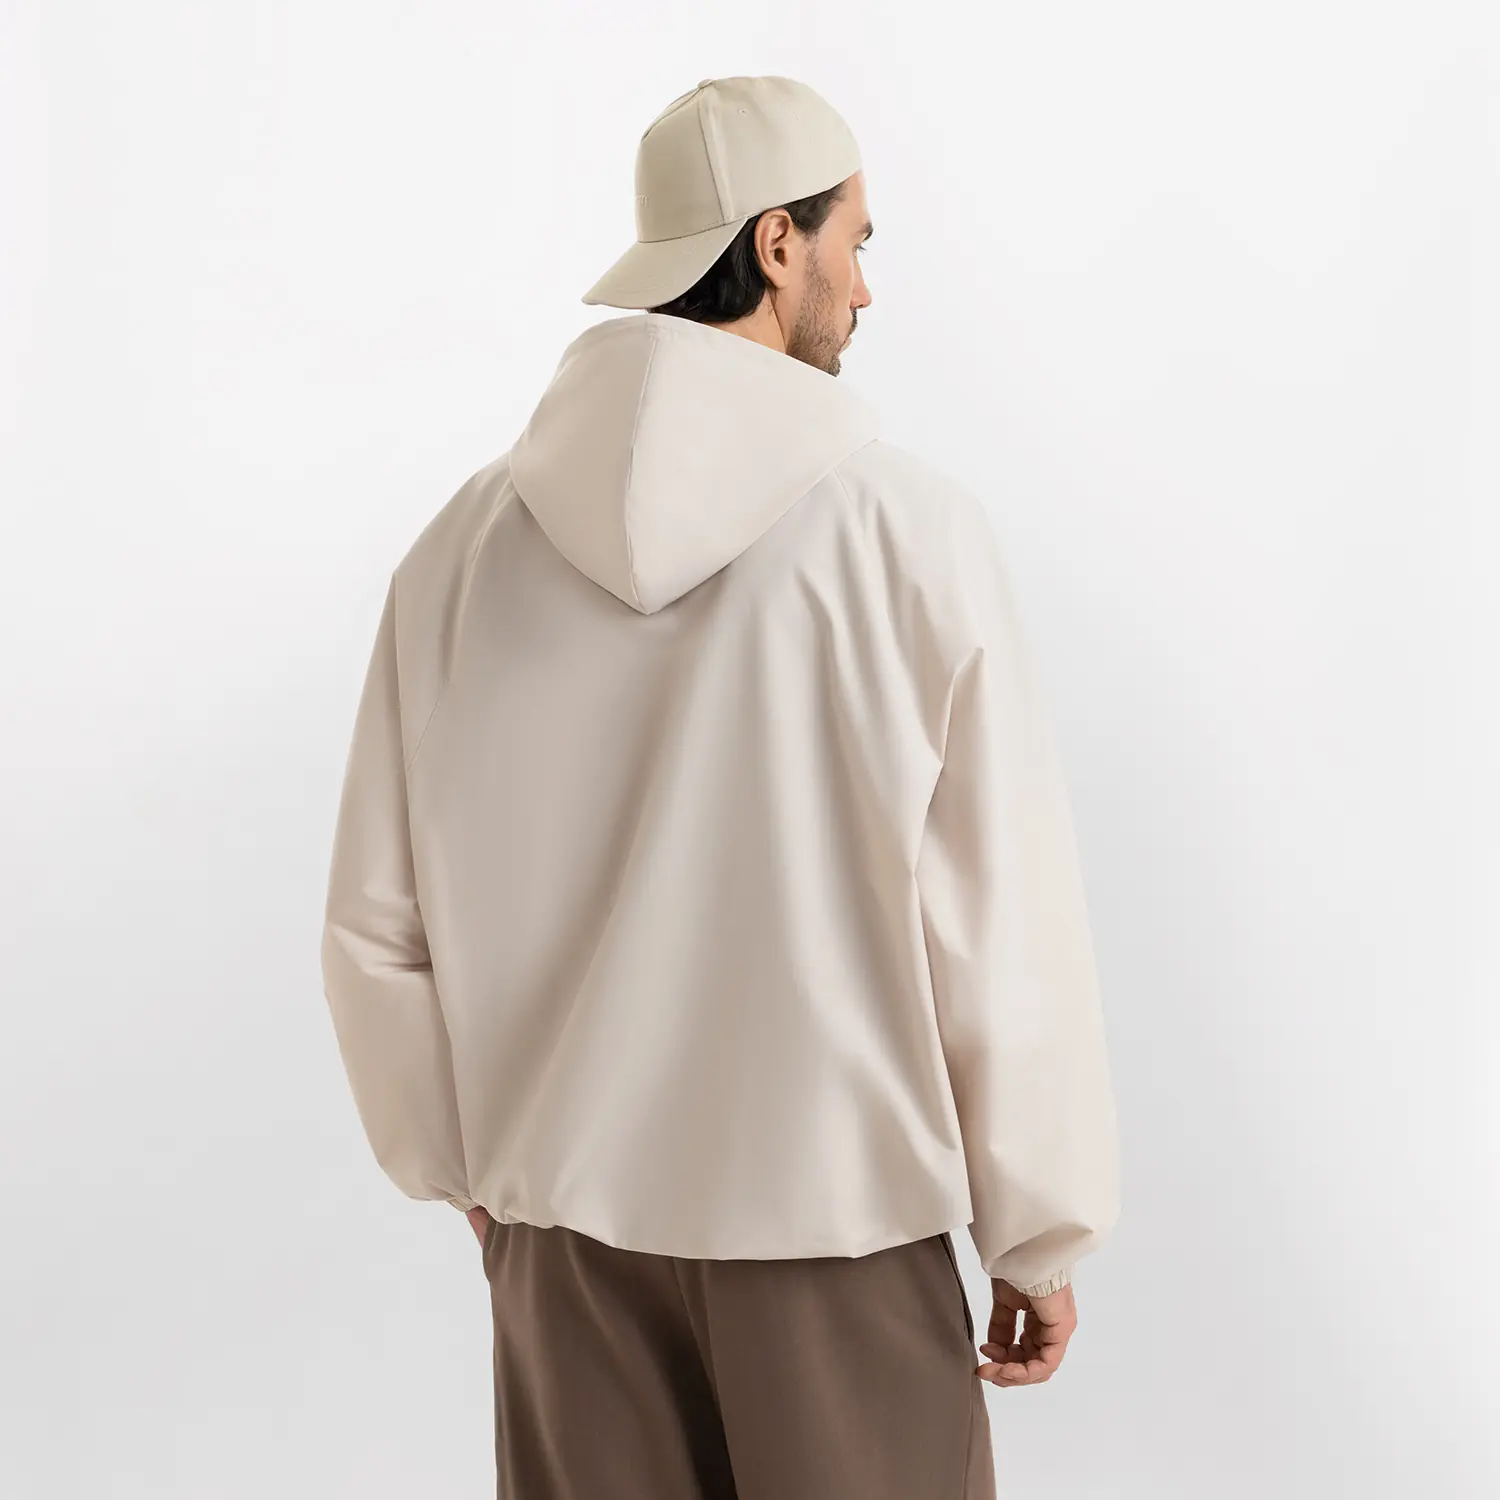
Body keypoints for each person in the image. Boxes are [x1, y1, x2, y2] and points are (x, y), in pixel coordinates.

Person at [320, 73, 1121, 1500]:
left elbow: (376, 924)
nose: (865, 288)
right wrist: (1038, 1231)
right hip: (836, 1228)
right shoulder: (906, 535)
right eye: (855, 242)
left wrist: (467, 1168)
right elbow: (998, 923)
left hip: (562, 1248)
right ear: (774, 242)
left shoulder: (462, 551)